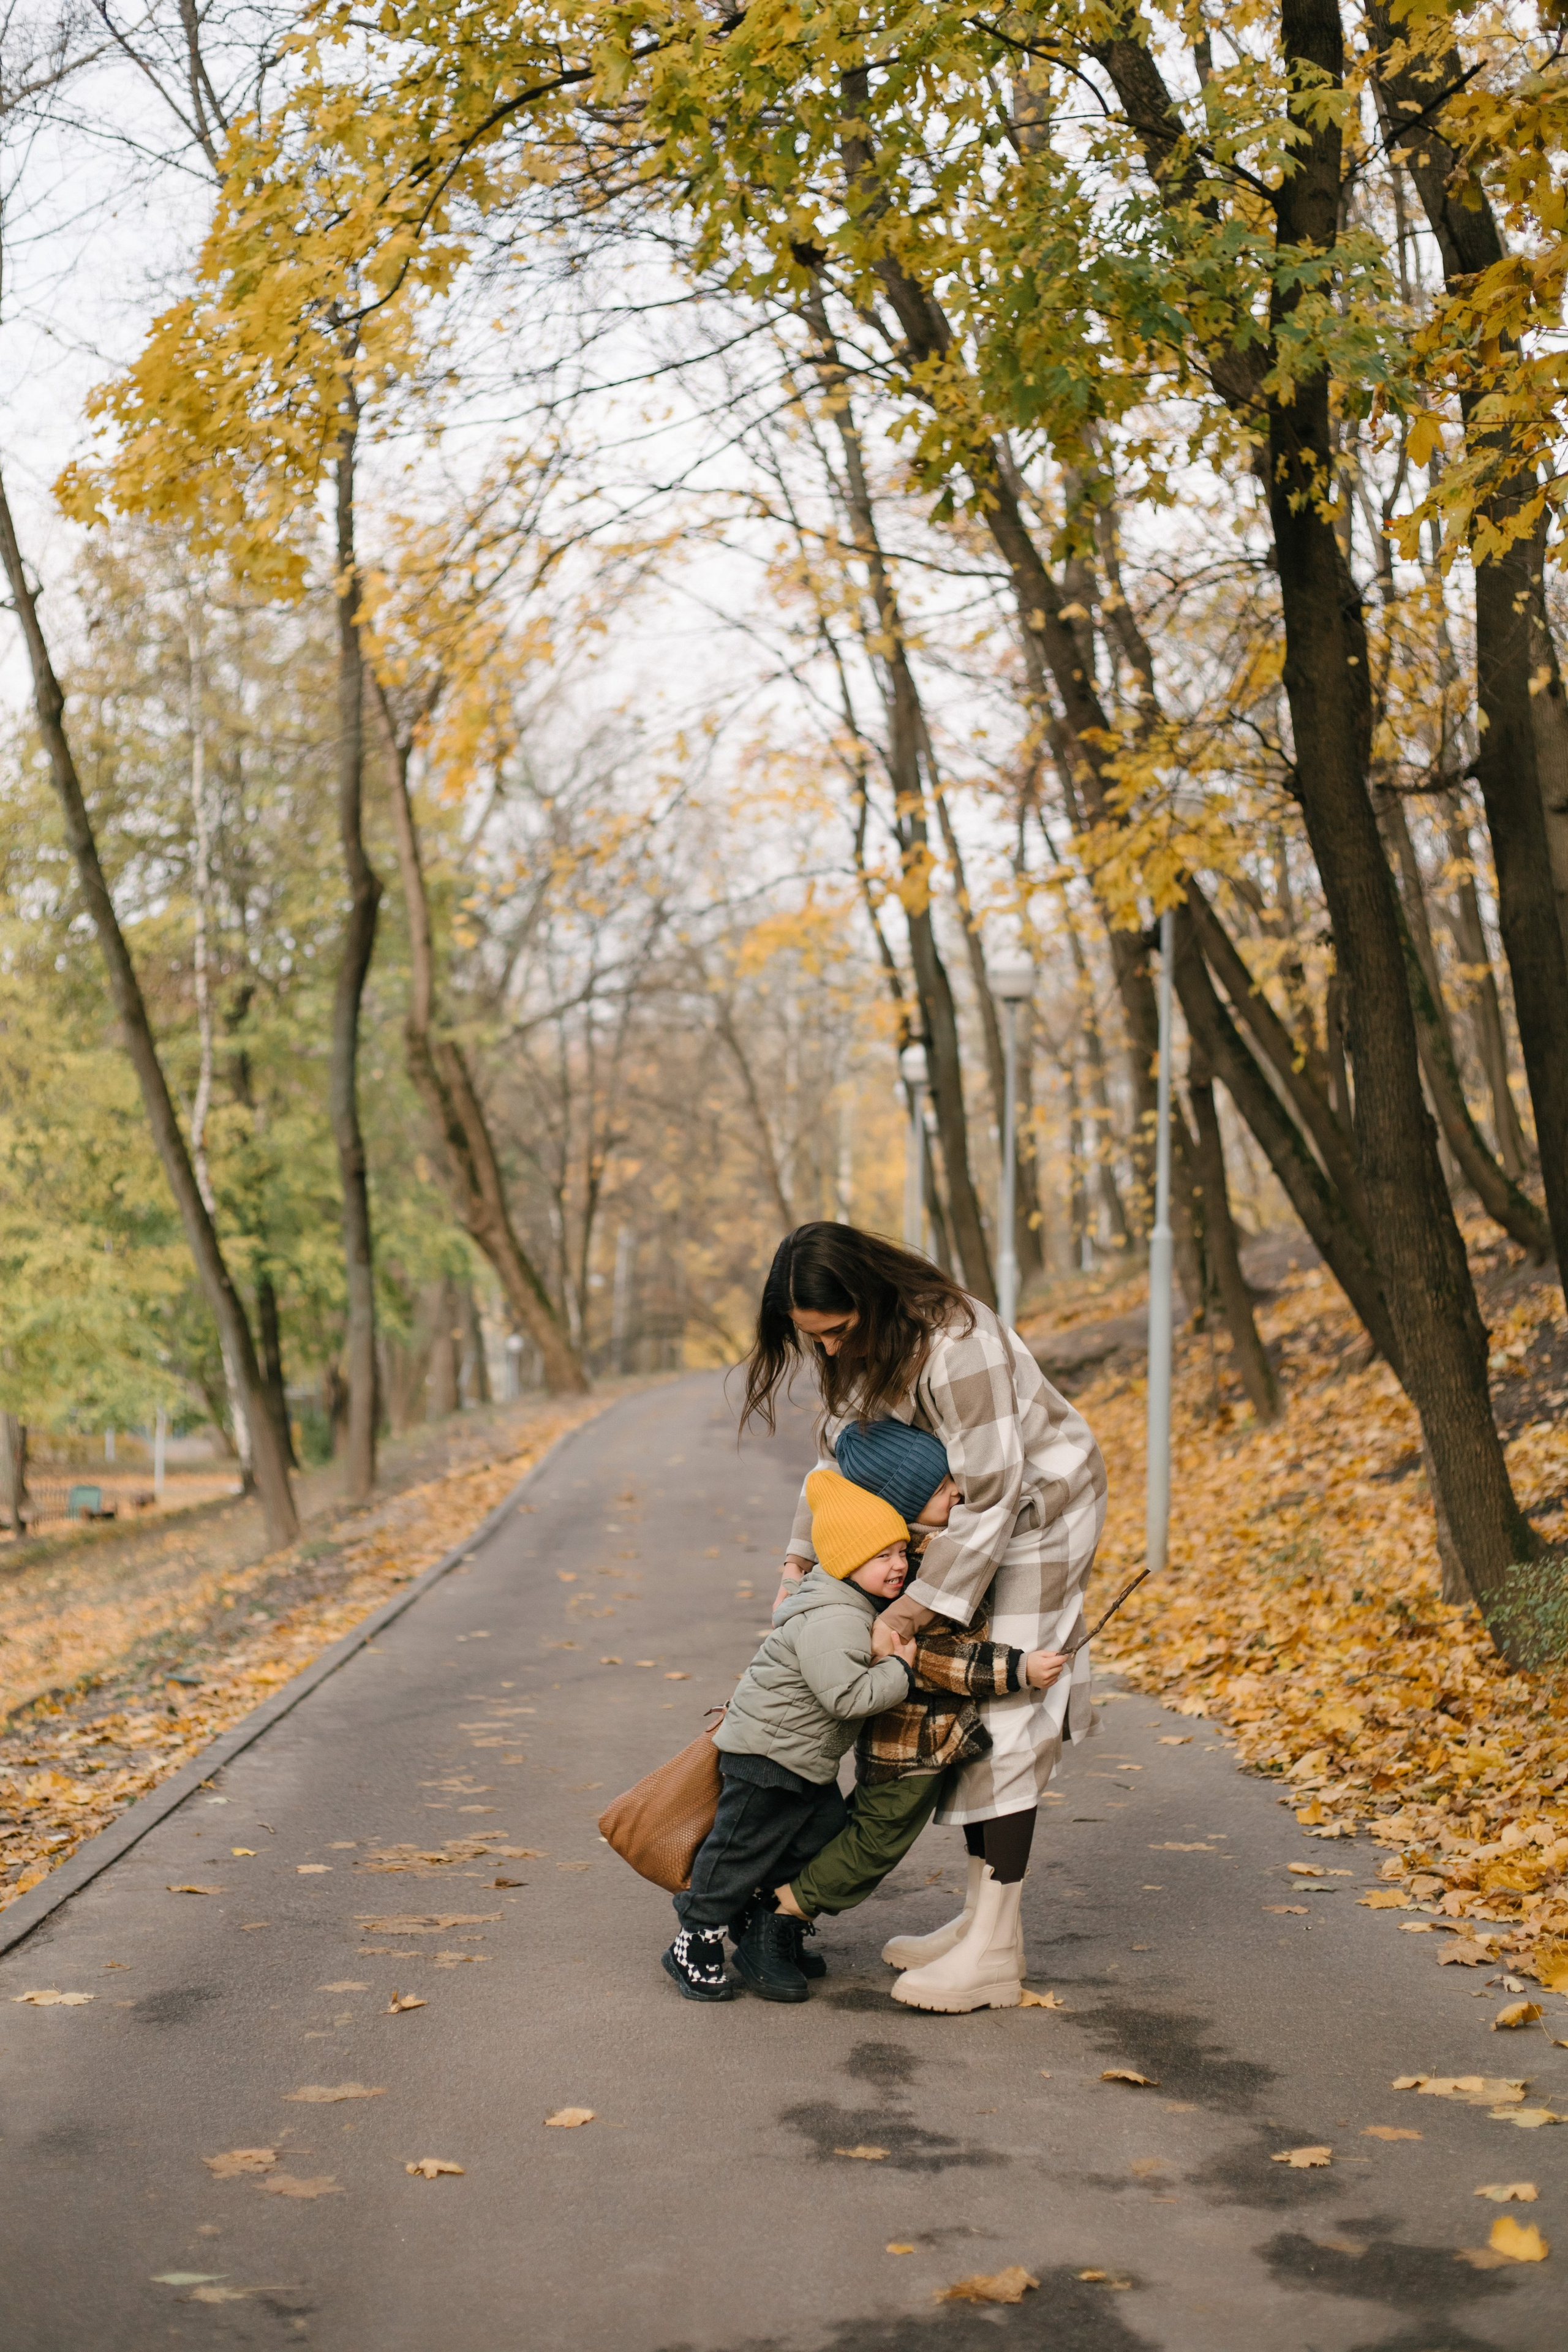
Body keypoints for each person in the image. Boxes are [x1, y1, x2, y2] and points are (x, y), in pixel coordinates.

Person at [742, 1221, 1106, 2014]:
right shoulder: (863, 1350)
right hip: (969, 1517)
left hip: (1040, 1512)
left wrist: (908, 1612)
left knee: (1009, 1714)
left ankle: (995, 1951)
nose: (830, 1354)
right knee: (965, 1708)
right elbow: (838, 1468)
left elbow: (995, 1496)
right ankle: (984, 1923)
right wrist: (797, 1566)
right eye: (815, 1341)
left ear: (868, 1297)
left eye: (835, 1333)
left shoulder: (959, 1345)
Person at [771, 1420, 1066, 1998]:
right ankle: (784, 1911)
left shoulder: (899, 1551)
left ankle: (974, 1925)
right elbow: (931, 1656)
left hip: (914, 1735)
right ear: (907, 1503)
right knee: (875, 1842)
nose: (957, 1492)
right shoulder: (915, 1566)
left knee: (867, 1828)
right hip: (912, 1741)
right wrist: (1017, 1670)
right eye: (941, 1489)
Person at [662, 1468, 919, 2006]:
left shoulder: (851, 1608)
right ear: (848, 1562)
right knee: (736, 1850)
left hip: (802, 1759)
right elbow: (845, 1698)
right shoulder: (834, 1619)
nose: (899, 1565)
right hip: (766, 1756)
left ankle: (760, 1918)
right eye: (883, 1557)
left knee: (820, 1834)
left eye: (902, 1551)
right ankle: (694, 1941)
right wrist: (899, 1669)